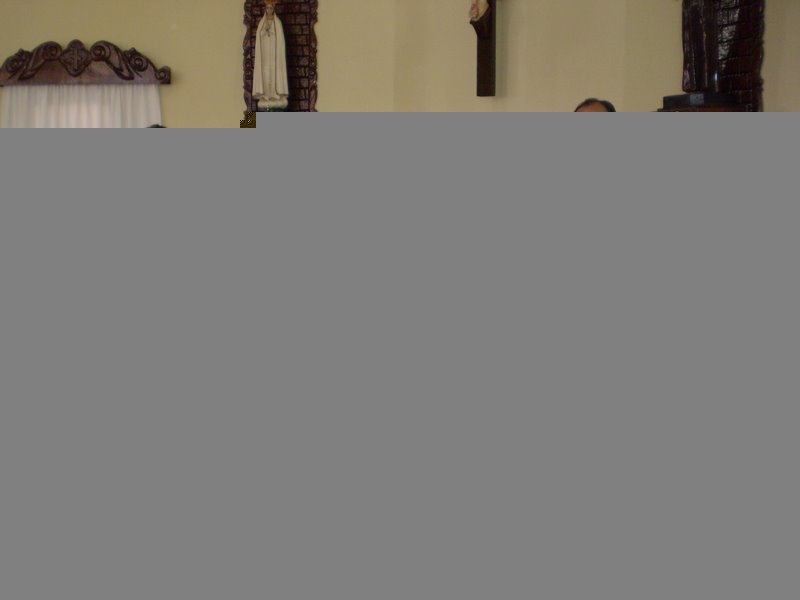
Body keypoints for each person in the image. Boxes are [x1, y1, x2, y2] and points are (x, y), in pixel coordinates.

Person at [252, 0, 289, 111]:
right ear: (265, 9)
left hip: (274, 54)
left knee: (273, 74)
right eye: (267, 8)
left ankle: (274, 94)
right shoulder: (261, 23)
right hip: (265, 54)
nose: (269, 10)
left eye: (271, 8)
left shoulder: (277, 23)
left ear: (273, 9)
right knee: (265, 73)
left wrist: (272, 34)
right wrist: (264, 33)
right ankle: (266, 95)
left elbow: (280, 40)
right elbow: (259, 36)